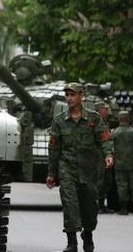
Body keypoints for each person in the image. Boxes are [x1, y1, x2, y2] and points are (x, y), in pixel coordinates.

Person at [46, 83, 114, 252]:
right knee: (70, 204)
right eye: (67, 95)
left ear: (81, 96)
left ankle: (88, 234)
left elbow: (104, 139)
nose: (69, 98)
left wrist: (108, 155)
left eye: (72, 94)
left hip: (89, 170)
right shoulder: (59, 121)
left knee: (90, 207)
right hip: (67, 168)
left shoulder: (93, 118)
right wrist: (52, 174)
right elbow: (54, 149)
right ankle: (72, 242)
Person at [112, 111, 133, 215]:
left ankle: (124, 209)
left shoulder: (115, 133)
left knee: (122, 185)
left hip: (120, 164)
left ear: (119, 119)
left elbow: (110, 148)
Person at [95, 101, 117, 214]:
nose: (107, 111)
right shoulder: (96, 123)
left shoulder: (105, 123)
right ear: (99, 111)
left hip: (106, 155)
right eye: (105, 109)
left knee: (107, 181)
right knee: (99, 181)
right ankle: (96, 205)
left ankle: (102, 204)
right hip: (98, 156)